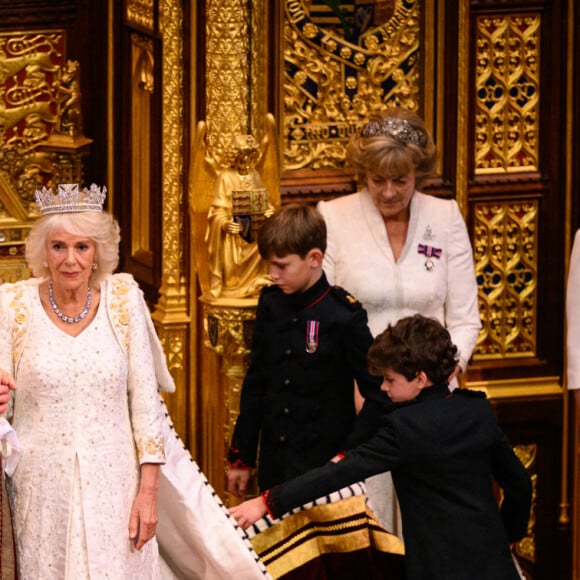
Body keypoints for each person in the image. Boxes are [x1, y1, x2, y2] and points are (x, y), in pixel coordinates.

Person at [0, 183, 270, 580]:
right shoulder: (12, 305)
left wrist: (148, 494)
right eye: (59, 246)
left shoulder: (123, 298)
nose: (70, 260)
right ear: (43, 250)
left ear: (99, 253)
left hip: (116, 486)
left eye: (82, 247)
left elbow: (145, 405)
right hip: (41, 488)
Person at [230, 314, 532, 580]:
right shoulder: (476, 411)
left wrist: (267, 502)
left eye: (389, 379)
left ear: (420, 379)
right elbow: (519, 484)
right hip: (495, 566)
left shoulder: (404, 428)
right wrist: (509, 534)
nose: (383, 388)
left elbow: (339, 474)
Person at [316, 107, 482, 532]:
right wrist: (359, 385)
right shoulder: (332, 218)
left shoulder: (444, 218)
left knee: (434, 526)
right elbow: (325, 314)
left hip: (436, 402)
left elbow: (465, 319)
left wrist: (442, 376)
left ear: (418, 174)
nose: (388, 192)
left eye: (400, 180)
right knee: (371, 526)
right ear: (363, 174)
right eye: (378, 180)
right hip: (363, 401)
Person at [226, 203, 387, 498]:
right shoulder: (270, 304)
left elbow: (378, 394)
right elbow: (256, 383)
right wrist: (242, 457)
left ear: (314, 258)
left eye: (282, 265)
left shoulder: (343, 315)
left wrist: (348, 455)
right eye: (269, 265)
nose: (273, 274)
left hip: (326, 476)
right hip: (275, 471)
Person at [205, 133, 274, 299]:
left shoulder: (255, 175)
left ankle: (255, 283)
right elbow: (217, 211)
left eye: (250, 155)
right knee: (232, 254)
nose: (247, 160)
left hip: (254, 233)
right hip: (233, 235)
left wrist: (268, 211)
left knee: (264, 244)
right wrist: (225, 224)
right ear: (235, 156)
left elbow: (264, 202)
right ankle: (232, 285)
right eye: (243, 155)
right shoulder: (225, 177)